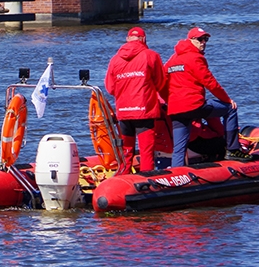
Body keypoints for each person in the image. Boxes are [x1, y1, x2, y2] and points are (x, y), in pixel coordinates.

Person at [164, 27, 244, 167]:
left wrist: (169, 101)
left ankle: (177, 175)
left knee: (179, 148)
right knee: (230, 109)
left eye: (205, 39)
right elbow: (210, 83)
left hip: (176, 109)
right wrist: (227, 99)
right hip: (194, 105)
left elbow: (162, 83)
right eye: (200, 39)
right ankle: (232, 149)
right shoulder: (195, 58)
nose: (203, 42)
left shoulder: (172, 60)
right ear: (190, 40)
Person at [104, 27, 167, 173]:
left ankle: (123, 178)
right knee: (146, 151)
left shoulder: (115, 60)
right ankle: (146, 181)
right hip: (144, 111)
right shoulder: (151, 55)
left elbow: (110, 87)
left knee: (126, 151)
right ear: (143, 39)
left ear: (127, 40)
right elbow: (160, 82)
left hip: (124, 112)